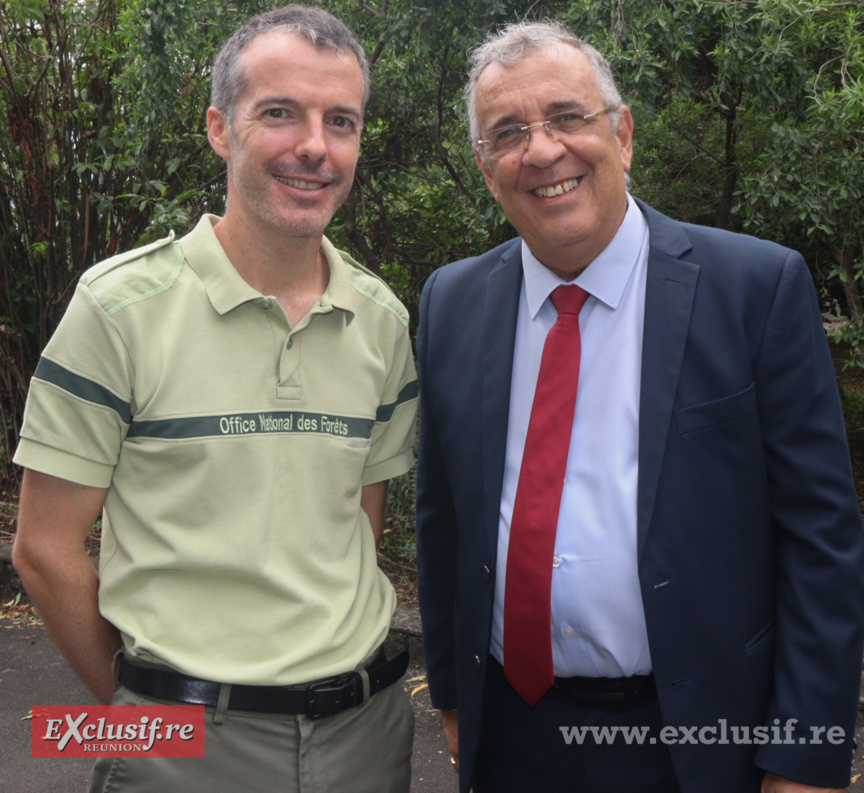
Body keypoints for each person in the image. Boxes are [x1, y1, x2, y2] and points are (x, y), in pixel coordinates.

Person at [416, 19, 864, 793]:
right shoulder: (450, 301)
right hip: (514, 735)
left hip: (700, 738)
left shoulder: (755, 289)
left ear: (621, 135)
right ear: (488, 169)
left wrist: (805, 754)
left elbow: (820, 537)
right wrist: (454, 697)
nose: (543, 150)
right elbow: (443, 519)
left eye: (567, 116)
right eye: (509, 133)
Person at [12, 6, 418, 792]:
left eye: (340, 121)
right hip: (182, 745)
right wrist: (142, 713)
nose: (315, 145)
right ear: (220, 129)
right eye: (280, 113)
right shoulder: (119, 309)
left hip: (365, 736)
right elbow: (43, 548)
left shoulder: (381, 321)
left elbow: (357, 529)